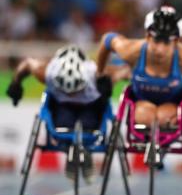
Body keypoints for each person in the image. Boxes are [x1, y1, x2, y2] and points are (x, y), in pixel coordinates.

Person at [96, 5, 182, 128]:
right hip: (142, 101)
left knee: (162, 118)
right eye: (156, 40)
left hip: (171, 103)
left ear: (176, 41)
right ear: (147, 36)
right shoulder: (132, 51)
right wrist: (100, 74)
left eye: (166, 42)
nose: (160, 50)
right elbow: (107, 40)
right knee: (146, 117)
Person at [6, 45, 113, 183]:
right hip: (62, 106)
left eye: (75, 91)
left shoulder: (95, 72)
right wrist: (16, 83)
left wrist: (109, 82)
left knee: (89, 128)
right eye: (69, 92)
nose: (73, 95)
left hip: (90, 107)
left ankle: (84, 150)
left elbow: (126, 72)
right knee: (62, 128)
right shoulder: (47, 72)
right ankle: (72, 150)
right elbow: (27, 64)